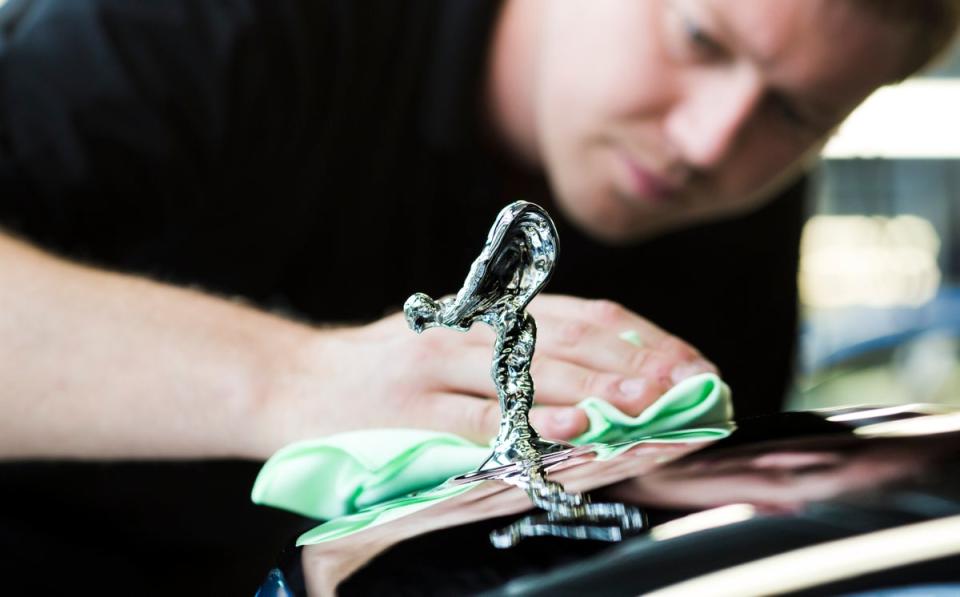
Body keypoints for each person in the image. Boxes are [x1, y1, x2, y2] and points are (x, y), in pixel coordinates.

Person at [0, 0, 956, 593]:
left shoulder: (732, 195)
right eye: (699, 36)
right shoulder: (230, 23)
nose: (710, 141)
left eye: (797, 112)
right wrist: (293, 381)